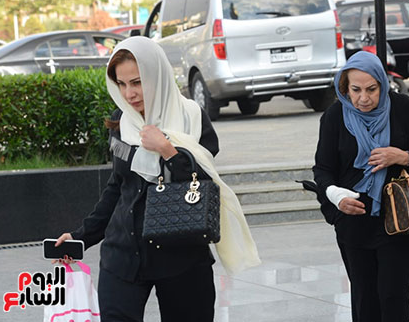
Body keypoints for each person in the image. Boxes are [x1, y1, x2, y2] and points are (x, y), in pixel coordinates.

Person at [54, 36, 260, 322]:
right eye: (121, 84)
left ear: (157, 76)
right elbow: (117, 187)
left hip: (181, 258)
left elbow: (203, 183)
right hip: (123, 255)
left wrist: (167, 149)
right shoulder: (122, 121)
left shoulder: (191, 118)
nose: (129, 94)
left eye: (137, 82)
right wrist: (81, 237)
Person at [313, 51, 409, 322]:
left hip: (399, 219)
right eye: (355, 90)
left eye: (371, 89)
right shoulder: (335, 116)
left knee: (394, 297)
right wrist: (336, 197)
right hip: (354, 221)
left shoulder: (402, 107)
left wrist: (401, 156)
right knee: (364, 298)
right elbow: (322, 170)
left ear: (382, 83)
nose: (364, 98)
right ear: (345, 87)